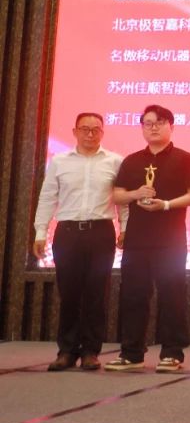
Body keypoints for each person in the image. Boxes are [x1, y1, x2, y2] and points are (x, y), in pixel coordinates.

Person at [106, 105, 190, 373]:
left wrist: (166, 205)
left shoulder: (185, 159)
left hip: (171, 241)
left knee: (172, 295)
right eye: (148, 123)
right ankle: (131, 353)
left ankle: (172, 353)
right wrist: (136, 194)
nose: (153, 127)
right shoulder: (132, 160)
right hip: (137, 240)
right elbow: (117, 195)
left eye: (159, 122)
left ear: (172, 126)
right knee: (133, 295)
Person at [33, 112, 125, 371]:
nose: (90, 134)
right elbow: (47, 197)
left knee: (96, 292)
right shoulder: (59, 161)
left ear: (102, 133)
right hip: (68, 233)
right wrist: (40, 232)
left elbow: (122, 201)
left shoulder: (115, 161)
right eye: (85, 129)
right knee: (69, 293)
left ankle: (91, 351)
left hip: (101, 232)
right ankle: (67, 350)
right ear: (75, 131)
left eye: (96, 129)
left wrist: (125, 228)